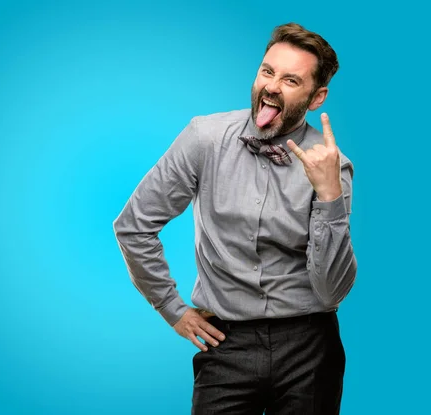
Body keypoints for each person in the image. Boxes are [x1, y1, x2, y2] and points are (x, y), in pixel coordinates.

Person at [113, 22, 357, 415]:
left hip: (309, 347)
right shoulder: (204, 138)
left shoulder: (332, 165)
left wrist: (328, 195)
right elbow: (133, 225)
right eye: (267, 71)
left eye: (291, 80)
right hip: (225, 343)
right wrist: (171, 309)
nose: (273, 86)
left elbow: (331, 291)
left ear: (316, 97)